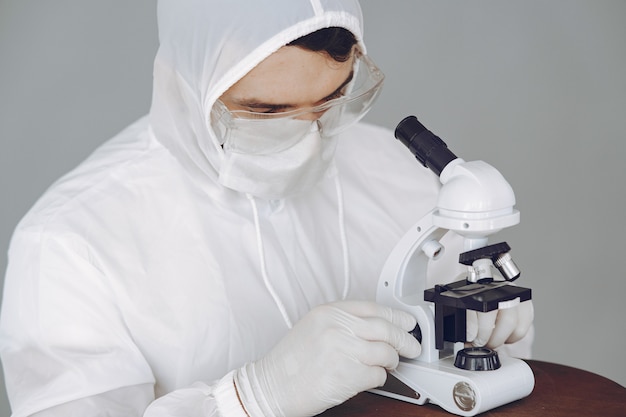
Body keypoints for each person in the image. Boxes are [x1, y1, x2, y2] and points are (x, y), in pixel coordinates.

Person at [0, 1, 533, 416]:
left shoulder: (396, 173)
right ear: (191, 83)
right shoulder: (70, 244)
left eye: (331, 100)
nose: (306, 138)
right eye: (265, 111)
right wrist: (248, 401)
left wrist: (485, 335)